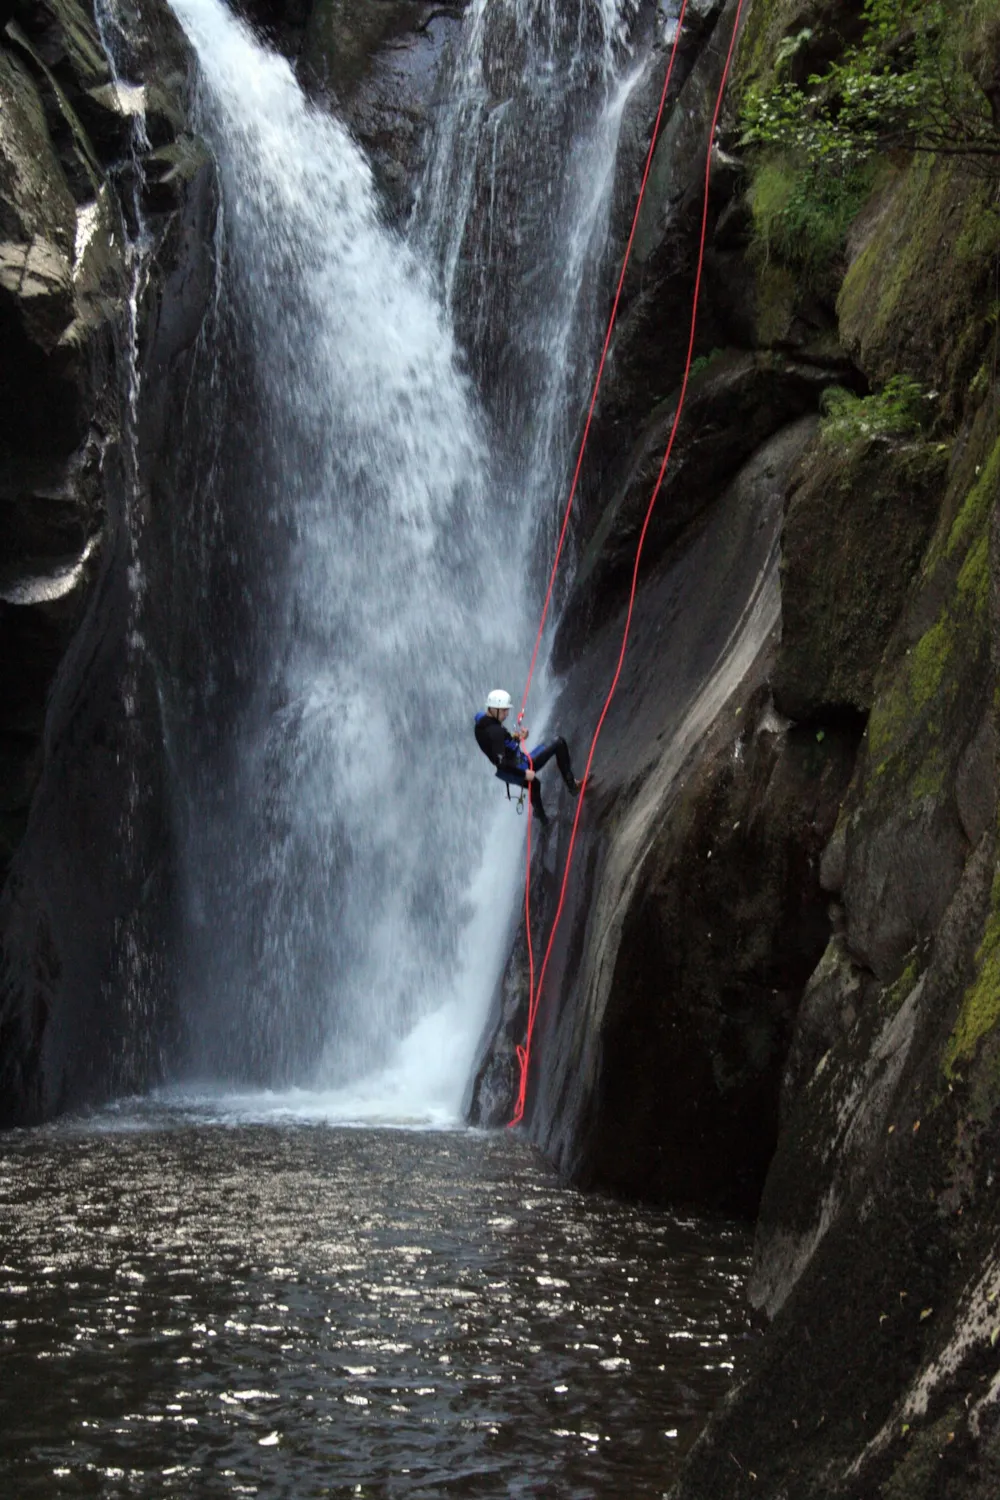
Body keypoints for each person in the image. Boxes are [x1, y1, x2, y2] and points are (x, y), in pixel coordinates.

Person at [473, 688, 579, 827]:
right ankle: (572, 786)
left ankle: (542, 818)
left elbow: (499, 744)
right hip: (515, 767)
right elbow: (501, 761)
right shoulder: (495, 732)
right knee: (559, 743)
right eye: (504, 710)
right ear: (493, 709)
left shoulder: (482, 722)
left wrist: (518, 737)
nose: (507, 713)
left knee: (535, 784)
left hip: (508, 769)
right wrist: (524, 773)